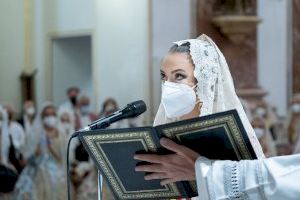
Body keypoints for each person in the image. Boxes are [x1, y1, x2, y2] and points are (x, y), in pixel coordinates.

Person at [133, 34, 268, 198]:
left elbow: (255, 192)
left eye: (179, 76)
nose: (168, 85)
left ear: (204, 81)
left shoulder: (232, 137)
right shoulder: (161, 137)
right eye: (164, 77)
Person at [14, 103, 67, 200]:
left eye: (52, 115)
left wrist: (52, 148)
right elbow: (27, 158)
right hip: (37, 168)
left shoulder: (61, 133)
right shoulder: (36, 133)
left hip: (58, 170)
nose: (50, 118)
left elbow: (64, 155)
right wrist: (36, 153)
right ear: (42, 117)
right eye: (47, 115)